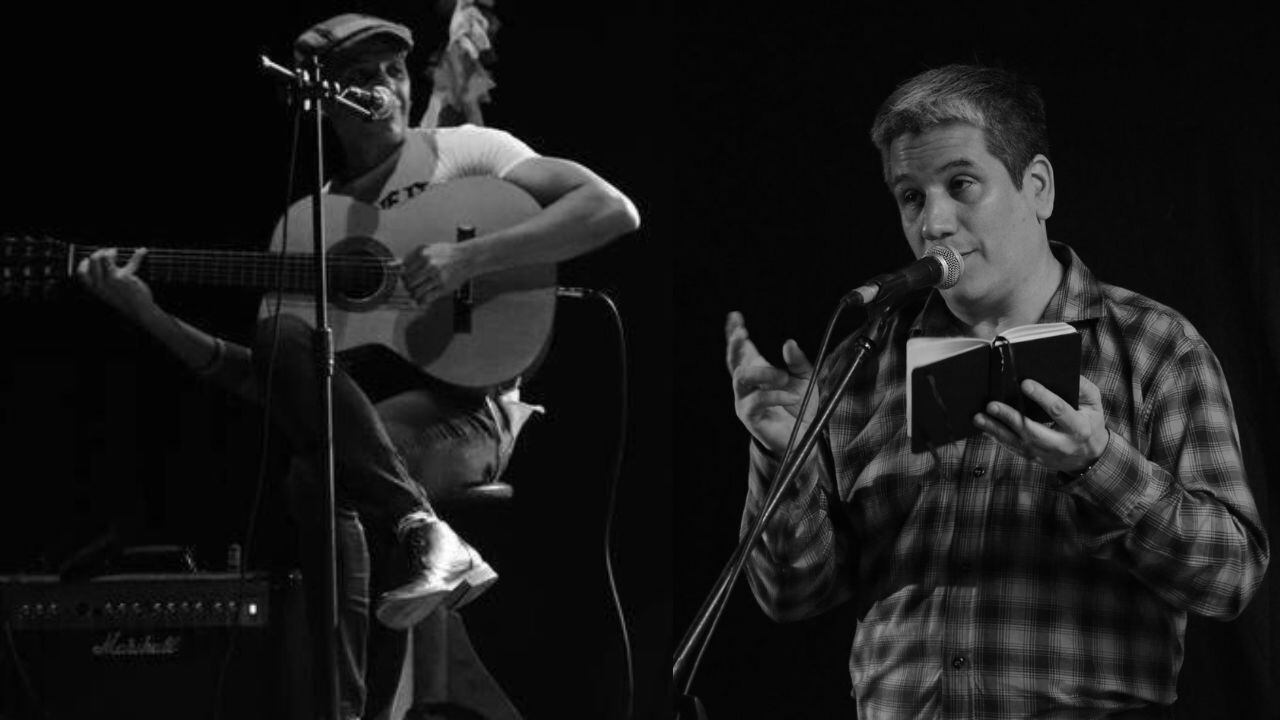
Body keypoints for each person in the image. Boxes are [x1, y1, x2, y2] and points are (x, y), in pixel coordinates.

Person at [77, 12, 639, 719]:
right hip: (364, 421)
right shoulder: (306, 221)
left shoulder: (467, 152)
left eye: (394, 71)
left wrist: (471, 256)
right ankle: (421, 534)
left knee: (325, 474)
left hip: (468, 410)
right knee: (298, 386)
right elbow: (265, 376)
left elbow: (612, 209)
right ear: (324, 98)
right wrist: (147, 315)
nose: (385, 89)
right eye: (361, 77)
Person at [725, 64, 1268, 718]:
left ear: (1036, 187)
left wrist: (1097, 466)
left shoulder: (1157, 347)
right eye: (911, 196)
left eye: (961, 185)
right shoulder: (862, 365)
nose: (934, 222)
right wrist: (780, 457)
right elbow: (790, 593)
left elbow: (1230, 576)